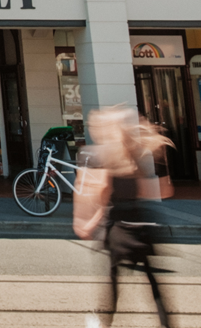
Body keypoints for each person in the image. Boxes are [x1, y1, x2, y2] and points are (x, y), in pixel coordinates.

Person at [74, 107, 173, 327]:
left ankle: (102, 321)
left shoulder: (108, 157)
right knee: (153, 283)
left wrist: (88, 223)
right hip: (141, 225)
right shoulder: (137, 156)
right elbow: (162, 192)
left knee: (113, 280)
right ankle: (167, 323)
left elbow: (103, 194)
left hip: (118, 227)